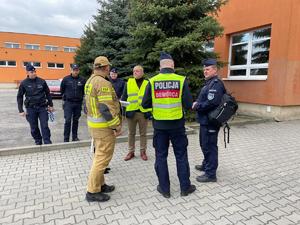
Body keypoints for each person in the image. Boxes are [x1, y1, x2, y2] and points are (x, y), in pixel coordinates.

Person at [142, 52, 196, 198]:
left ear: (160, 67)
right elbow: (188, 104)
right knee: (181, 156)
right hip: (178, 125)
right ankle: (185, 188)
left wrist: (151, 112)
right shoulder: (181, 80)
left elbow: (144, 104)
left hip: (159, 127)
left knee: (161, 157)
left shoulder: (152, 81)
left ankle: (165, 189)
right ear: (172, 65)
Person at [84, 56, 122, 202]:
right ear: (106, 68)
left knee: (99, 155)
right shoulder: (102, 82)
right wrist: (116, 126)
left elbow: (87, 105)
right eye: (108, 68)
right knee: (101, 159)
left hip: (95, 126)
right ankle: (92, 191)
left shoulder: (90, 81)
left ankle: (100, 184)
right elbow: (106, 108)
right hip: (103, 128)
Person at [192, 58, 226, 182]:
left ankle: (211, 174)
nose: (205, 71)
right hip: (205, 120)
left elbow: (212, 103)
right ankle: (206, 164)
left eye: (207, 69)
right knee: (204, 144)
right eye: (204, 69)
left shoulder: (216, 84)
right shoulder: (210, 82)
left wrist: (197, 106)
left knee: (210, 146)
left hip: (210, 121)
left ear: (215, 70)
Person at [17, 64, 54, 145]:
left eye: (34, 71)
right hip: (31, 108)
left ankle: (47, 142)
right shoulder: (24, 83)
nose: (34, 73)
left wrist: (51, 105)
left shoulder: (42, 81)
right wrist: (21, 110)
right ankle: (38, 141)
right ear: (27, 72)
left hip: (42, 107)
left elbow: (48, 94)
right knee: (34, 127)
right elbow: (19, 97)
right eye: (31, 72)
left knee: (44, 126)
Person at [121, 65, 152, 161]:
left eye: (138, 71)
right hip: (131, 113)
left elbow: (151, 99)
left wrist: (150, 112)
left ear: (142, 72)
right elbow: (124, 98)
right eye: (134, 71)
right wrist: (123, 112)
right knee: (131, 133)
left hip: (143, 113)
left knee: (143, 133)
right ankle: (131, 152)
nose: (135, 72)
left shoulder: (148, 83)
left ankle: (143, 151)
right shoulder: (128, 83)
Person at [60, 64, 86, 142]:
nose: (75, 71)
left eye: (77, 70)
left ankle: (74, 137)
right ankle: (66, 138)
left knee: (76, 120)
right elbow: (62, 90)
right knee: (67, 120)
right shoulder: (66, 79)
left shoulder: (82, 80)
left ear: (79, 71)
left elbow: (84, 91)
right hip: (68, 103)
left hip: (78, 103)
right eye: (74, 70)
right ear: (71, 70)